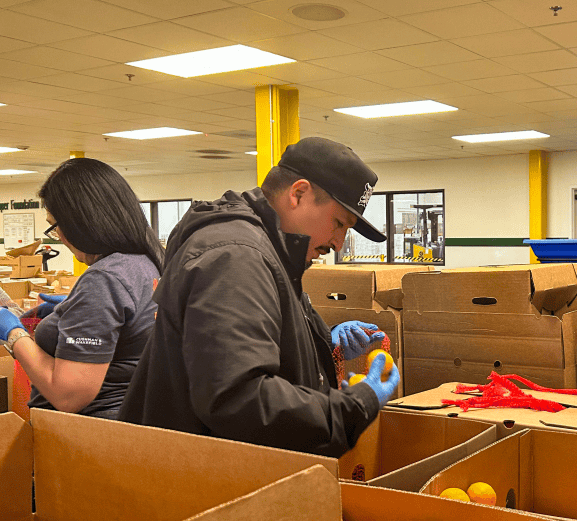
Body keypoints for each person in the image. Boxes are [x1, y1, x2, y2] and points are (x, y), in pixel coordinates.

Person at [119, 137, 399, 458]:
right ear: (298, 193)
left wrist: (324, 345)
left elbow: (254, 345)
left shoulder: (270, 249)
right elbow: (238, 398)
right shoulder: (236, 255)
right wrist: (354, 408)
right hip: (200, 477)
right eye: (338, 224)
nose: (338, 243)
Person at [0, 158, 163, 419]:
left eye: (55, 226)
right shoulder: (145, 263)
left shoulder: (106, 279)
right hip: (134, 420)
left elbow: (68, 395)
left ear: (80, 222)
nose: (60, 238)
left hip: (85, 432)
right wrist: (75, 310)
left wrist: (13, 333)